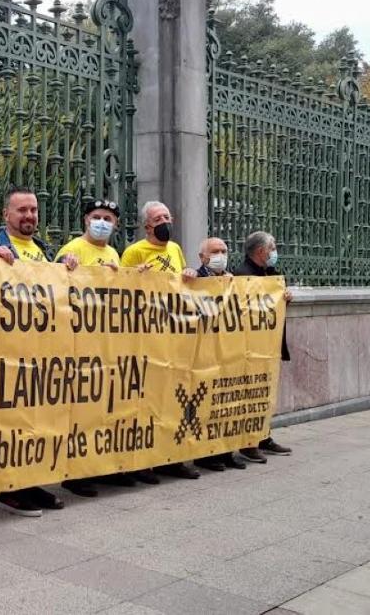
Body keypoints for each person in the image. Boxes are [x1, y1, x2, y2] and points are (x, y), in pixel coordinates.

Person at [0, 186, 78, 516]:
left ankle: (31, 482)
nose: (29, 215)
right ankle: (10, 490)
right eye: (22, 210)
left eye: (33, 210)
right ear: (6, 214)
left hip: (40, 351)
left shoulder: (43, 251)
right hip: (7, 351)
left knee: (36, 421)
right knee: (10, 422)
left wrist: (66, 266)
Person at [120, 201, 201, 483]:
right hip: (146, 337)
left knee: (172, 399)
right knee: (147, 401)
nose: (165, 221)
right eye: (158, 218)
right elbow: (119, 288)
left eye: (167, 216)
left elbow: (183, 282)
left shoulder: (175, 249)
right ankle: (142, 461)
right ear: (147, 226)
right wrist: (135, 277)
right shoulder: (134, 252)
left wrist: (190, 274)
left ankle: (171, 458)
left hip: (173, 335)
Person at [55, 198, 123, 497]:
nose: (101, 223)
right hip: (77, 342)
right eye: (97, 217)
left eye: (108, 219)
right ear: (86, 220)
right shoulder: (73, 249)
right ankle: (74, 473)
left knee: (100, 408)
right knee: (78, 410)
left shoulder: (113, 253)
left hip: (103, 342)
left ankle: (98, 466)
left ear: (116, 224)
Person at [232, 231, 294, 463]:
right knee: (249, 395)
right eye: (272, 248)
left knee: (264, 394)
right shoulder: (242, 275)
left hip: (267, 347)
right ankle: (248, 443)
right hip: (249, 348)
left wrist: (285, 298)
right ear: (260, 251)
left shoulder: (270, 274)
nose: (275, 252)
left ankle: (263, 436)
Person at [190, 237, 248, 472]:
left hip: (227, 351)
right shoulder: (194, 279)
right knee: (205, 405)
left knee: (226, 403)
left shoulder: (233, 280)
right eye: (215, 251)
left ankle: (226, 450)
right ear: (202, 257)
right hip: (203, 352)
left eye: (224, 251)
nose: (220, 256)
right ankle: (205, 455)